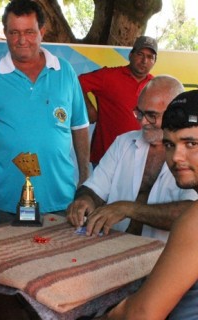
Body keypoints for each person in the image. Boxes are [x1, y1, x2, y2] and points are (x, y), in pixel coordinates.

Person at [0, 0, 90, 223]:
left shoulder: (64, 71)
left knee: (63, 257)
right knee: (15, 257)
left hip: (63, 198)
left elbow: (79, 125)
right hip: (12, 201)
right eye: (14, 32)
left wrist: (85, 176)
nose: (21, 40)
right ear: (5, 33)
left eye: (29, 32)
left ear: (42, 32)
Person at [97, 90, 198, 320]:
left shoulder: (194, 220)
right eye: (170, 145)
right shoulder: (122, 143)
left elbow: (141, 314)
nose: (176, 157)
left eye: (191, 143)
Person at [67, 75, 198, 242]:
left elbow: (191, 213)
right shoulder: (124, 142)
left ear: (173, 114)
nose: (143, 122)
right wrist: (84, 200)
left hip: (165, 253)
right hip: (114, 247)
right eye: (139, 113)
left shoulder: (190, 156)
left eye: (151, 115)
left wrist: (128, 208)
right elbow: (95, 187)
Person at [79, 35, 157, 167]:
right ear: (131, 55)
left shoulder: (156, 85)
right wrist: (88, 107)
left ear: (154, 62)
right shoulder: (108, 76)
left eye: (150, 57)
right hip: (106, 157)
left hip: (140, 159)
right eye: (140, 54)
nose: (144, 60)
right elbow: (78, 82)